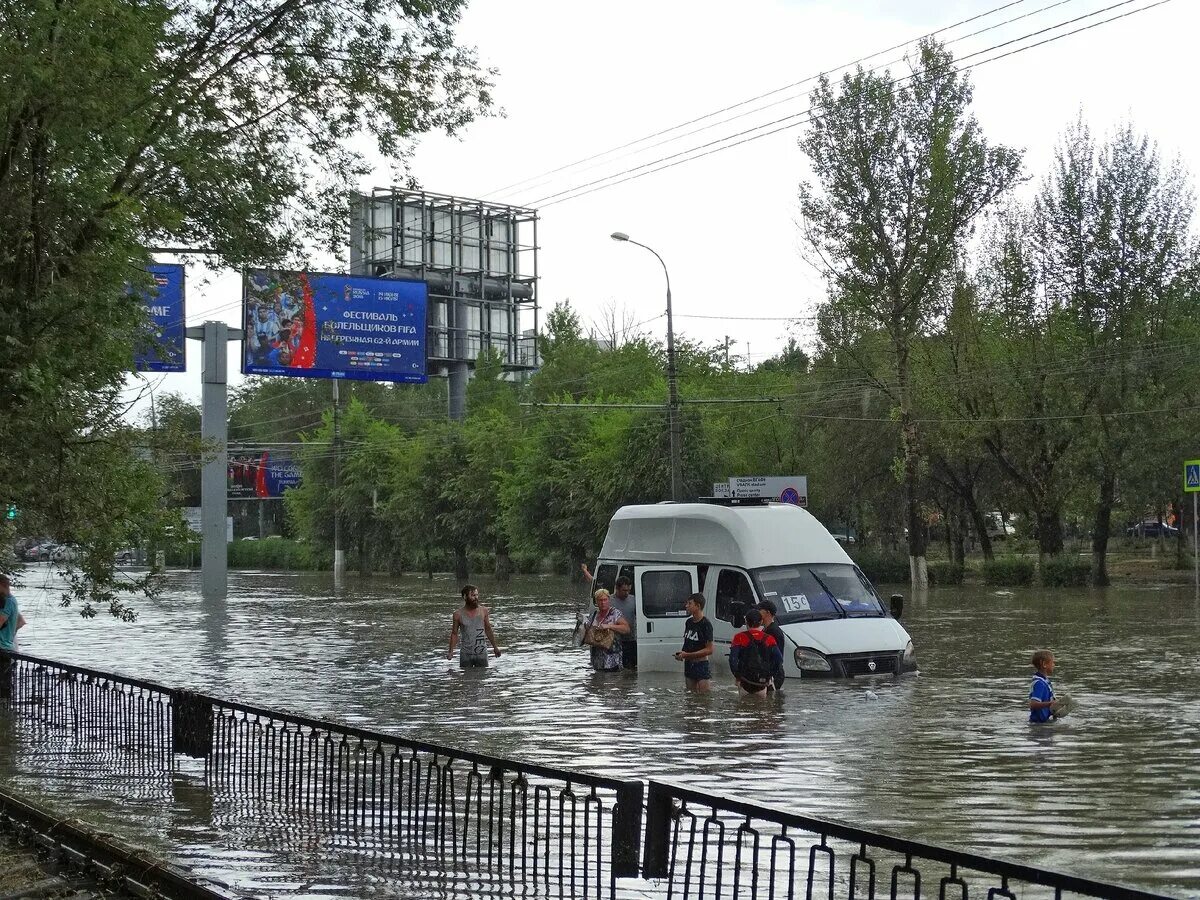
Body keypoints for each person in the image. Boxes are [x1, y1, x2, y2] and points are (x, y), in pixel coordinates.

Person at [580, 565, 638, 670]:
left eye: (629, 590)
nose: (627, 593)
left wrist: (609, 626)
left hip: (626, 642)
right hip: (600, 651)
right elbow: (593, 582)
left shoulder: (631, 602)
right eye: (624, 590)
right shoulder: (601, 607)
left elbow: (628, 628)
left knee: (628, 669)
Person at [730, 608, 782, 696]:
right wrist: (770, 674)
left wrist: (737, 676)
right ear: (761, 621)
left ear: (746, 621)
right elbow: (779, 659)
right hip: (762, 681)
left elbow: (732, 660)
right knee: (761, 707)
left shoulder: (739, 637)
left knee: (743, 706)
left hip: (745, 680)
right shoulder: (769, 639)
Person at [447, 584, 501, 668]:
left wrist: (495, 647)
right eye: (472, 595)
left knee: (483, 677)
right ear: (465, 597)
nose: (476, 598)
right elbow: (454, 634)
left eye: (476, 595)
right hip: (466, 653)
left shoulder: (484, 611)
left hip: (481, 653)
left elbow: (488, 629)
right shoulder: (457, 614)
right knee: (466, 679)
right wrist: (451, 651)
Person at [674, 592, 713, 691]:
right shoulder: (689, 622)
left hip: (701, 664)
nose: (686, 606)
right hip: (689, 664)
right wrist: (681, 654)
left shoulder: (706, 624)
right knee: (691, 698)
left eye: (689, 603)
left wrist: (687, 655)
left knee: (704, 699)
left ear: (698, 606)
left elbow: (710, 649)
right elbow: (687, 641)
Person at [585, 588, 629, 673]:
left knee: (613, 683)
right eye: (600, 600)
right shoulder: (593, 615)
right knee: (598, 682)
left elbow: (626, 629)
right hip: (597, 658)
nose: (603, 602)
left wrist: (609, 626)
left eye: (605, 600)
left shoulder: (615, 613)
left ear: (609, 600)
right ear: (596, 602)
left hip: (613, 657)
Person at [0, 575, 26, 700]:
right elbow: (20, 621)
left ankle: (6, 714)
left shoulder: (9, 601)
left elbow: (1, 621)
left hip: (4, 650)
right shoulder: (6, 601)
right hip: (6, 647)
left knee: (4, 690)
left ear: (3, 586)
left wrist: (9, 636)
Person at [757, 600, 787, 691]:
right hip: (769, 673)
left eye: (759, 610)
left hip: (773, 675)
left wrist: (768, 675)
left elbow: (775, 657)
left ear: (767, 613)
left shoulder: (773, 631)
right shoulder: (766, 630)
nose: (757, 614)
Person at [1028, 649, 1057, 724]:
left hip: (1043, 722)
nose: (1054, 664)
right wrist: (1050, 703)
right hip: (1038, 724)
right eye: (1052, 662)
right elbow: (1033, 704)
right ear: (1044, 664)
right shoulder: (1040, 683)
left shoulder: (1044, 681)